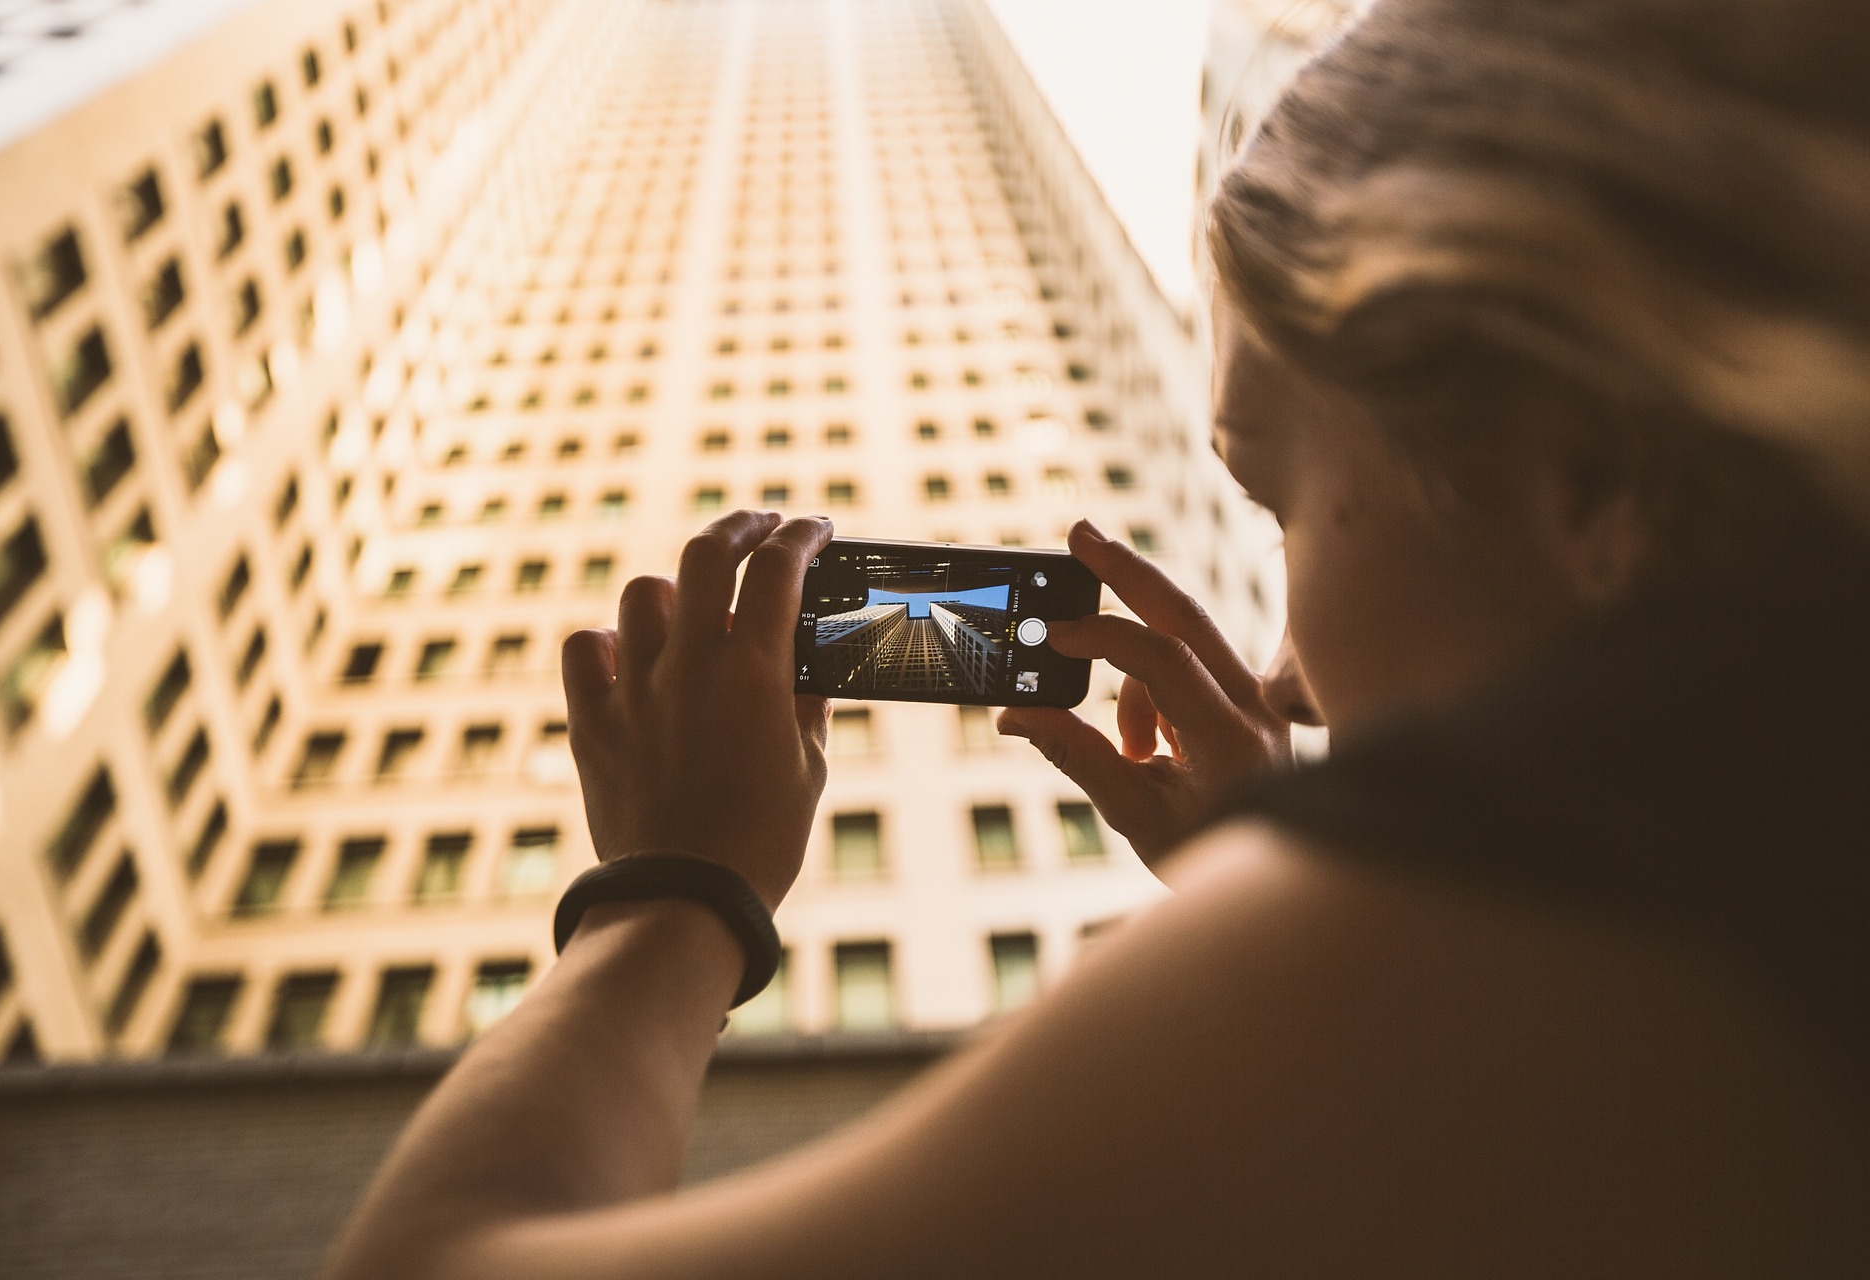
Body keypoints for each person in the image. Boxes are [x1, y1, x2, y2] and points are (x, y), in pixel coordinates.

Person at [323, 0, 1869, 1274]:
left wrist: (676, 888)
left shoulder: (1604, 895)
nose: (1285, 675)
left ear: (1587, 471)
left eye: (1278, 503)